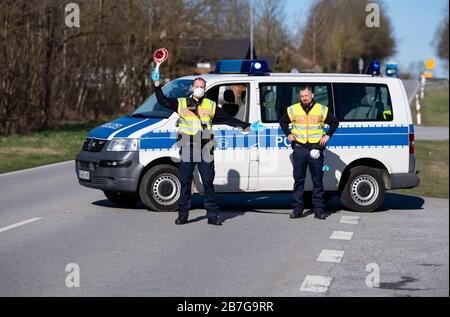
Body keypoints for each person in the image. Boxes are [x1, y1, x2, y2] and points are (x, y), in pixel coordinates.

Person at [151, 68, 260, 225]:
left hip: (205, 146)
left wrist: (248, 126)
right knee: (186, 181)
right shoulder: (181, 103)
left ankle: (212, 215)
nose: (199, 89)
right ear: (193, 88)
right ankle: (183, 215)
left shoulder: (211, 105)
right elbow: (162, 100)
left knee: (208, 181)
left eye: (202, 86)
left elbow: (229, 120)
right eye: (197, 86)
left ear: (205, 89)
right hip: (188, 145)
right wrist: (156, 84)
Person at [279, 85, 339, 220]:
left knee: (317, 181)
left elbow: (335, 122)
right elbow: (282, 122)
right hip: (299, 148)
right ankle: (297, 209)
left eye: (306, 96)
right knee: (298, 180)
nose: (304, 98)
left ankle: (319, 210)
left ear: (312, 95)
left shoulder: (321, 110)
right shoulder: (293, 109)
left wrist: (328, 135)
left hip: (316, 149)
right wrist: (288, 134)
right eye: (301, 96)